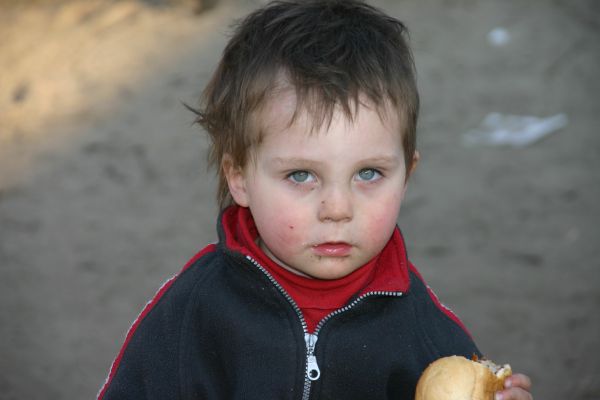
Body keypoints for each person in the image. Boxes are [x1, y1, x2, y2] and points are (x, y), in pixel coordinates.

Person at [98, 1, 533, 399]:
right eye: (301, 175)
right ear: (239, 177)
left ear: (407, 176)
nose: (338, 209)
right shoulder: (193, 312)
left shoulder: (425, 330)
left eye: (369, 173)